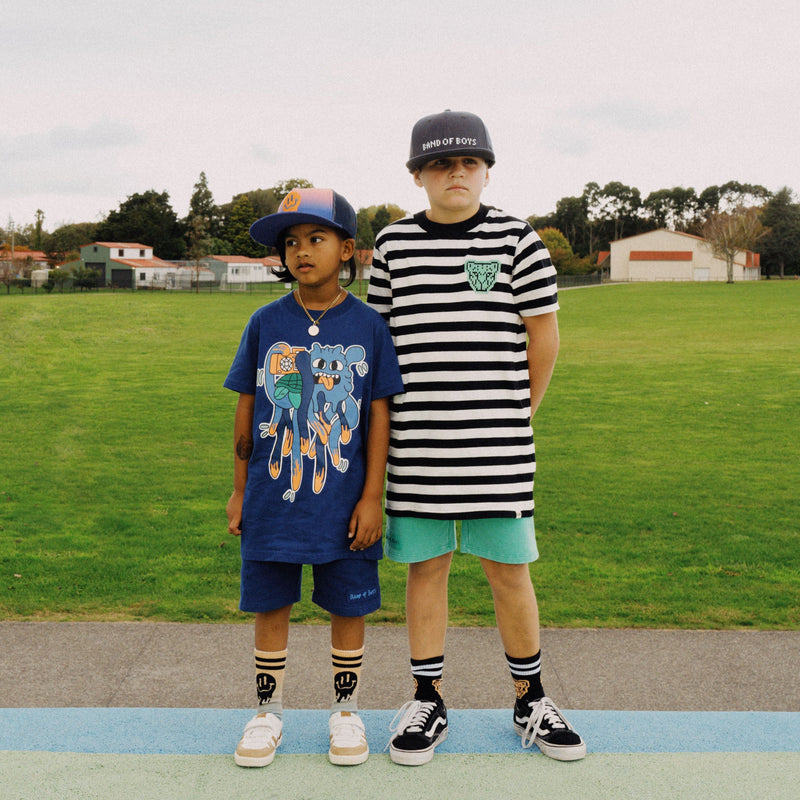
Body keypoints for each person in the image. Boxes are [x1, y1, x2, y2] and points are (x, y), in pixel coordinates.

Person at [368, 110, 586, 765]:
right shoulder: (392, 246)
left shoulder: (519, 240)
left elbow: (542, 336)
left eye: (468, 162)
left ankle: (530, 696)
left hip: (498, 449)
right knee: (426, 571)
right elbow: (380, 344)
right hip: (418, 447)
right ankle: (427, 698)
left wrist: (518, 415)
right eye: (440, 163)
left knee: (509, 573)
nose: (455, 173)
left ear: (487, 169)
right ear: (417, 175)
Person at [225, 188, 404, 768]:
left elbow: (380, 414)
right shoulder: (265, 321)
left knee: (346, 607)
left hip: (343, 500)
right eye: (292, 242)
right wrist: (236, 488)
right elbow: (247, 405)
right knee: (270, 603)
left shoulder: (370, 326)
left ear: (348, 249)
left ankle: (346, 714)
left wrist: (373, 496)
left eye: (316, 238)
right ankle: (267, 712)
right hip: (273, 497)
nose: (302, 251)